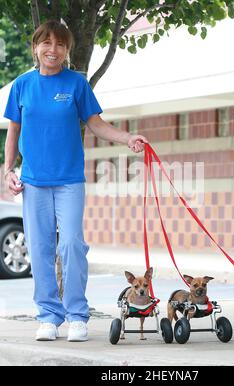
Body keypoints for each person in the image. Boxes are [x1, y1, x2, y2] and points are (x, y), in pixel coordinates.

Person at [3, 20, 148, 342]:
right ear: (35, 48)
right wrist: (7, 168)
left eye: (60, 45)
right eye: (47, 43)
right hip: (34, 182)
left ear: (67, 51)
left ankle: (77, 315)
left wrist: (127, 138)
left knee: (70, 245)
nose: (52, 50)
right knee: (39, 248)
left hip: (69, 180)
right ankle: (48, 316)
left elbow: (96, 124)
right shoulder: (22, 86)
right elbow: (14, 129)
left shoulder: (76, 85)